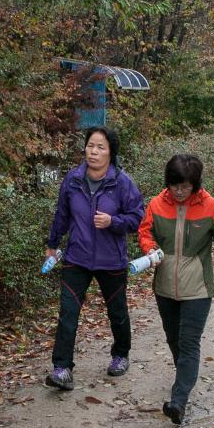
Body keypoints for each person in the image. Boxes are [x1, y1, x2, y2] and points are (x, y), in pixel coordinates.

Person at [43, 127, 145, 391]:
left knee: (118, 312)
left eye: (100, 147)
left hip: (111, 260)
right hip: (77, 257)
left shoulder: (122, 183)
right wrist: (52, 245)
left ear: (111, 152)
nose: (94, 152)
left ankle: (121, 354)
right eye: (90, 146)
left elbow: (137, 218)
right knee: (68, 312)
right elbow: (61, 215)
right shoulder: (73, 179)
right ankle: (62, 368)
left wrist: (113, 221)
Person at [138, 154, 214, 425]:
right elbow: (145, 232)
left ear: (195, 184)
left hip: (198, 288)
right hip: (164, 285)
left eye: (185, 186)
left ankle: (178, 401)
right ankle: (186, 377)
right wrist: (150, 249)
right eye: (175, 185)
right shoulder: (157, 204)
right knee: (173, 339)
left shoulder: (209, 205)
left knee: (189, 342)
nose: (179, 192)